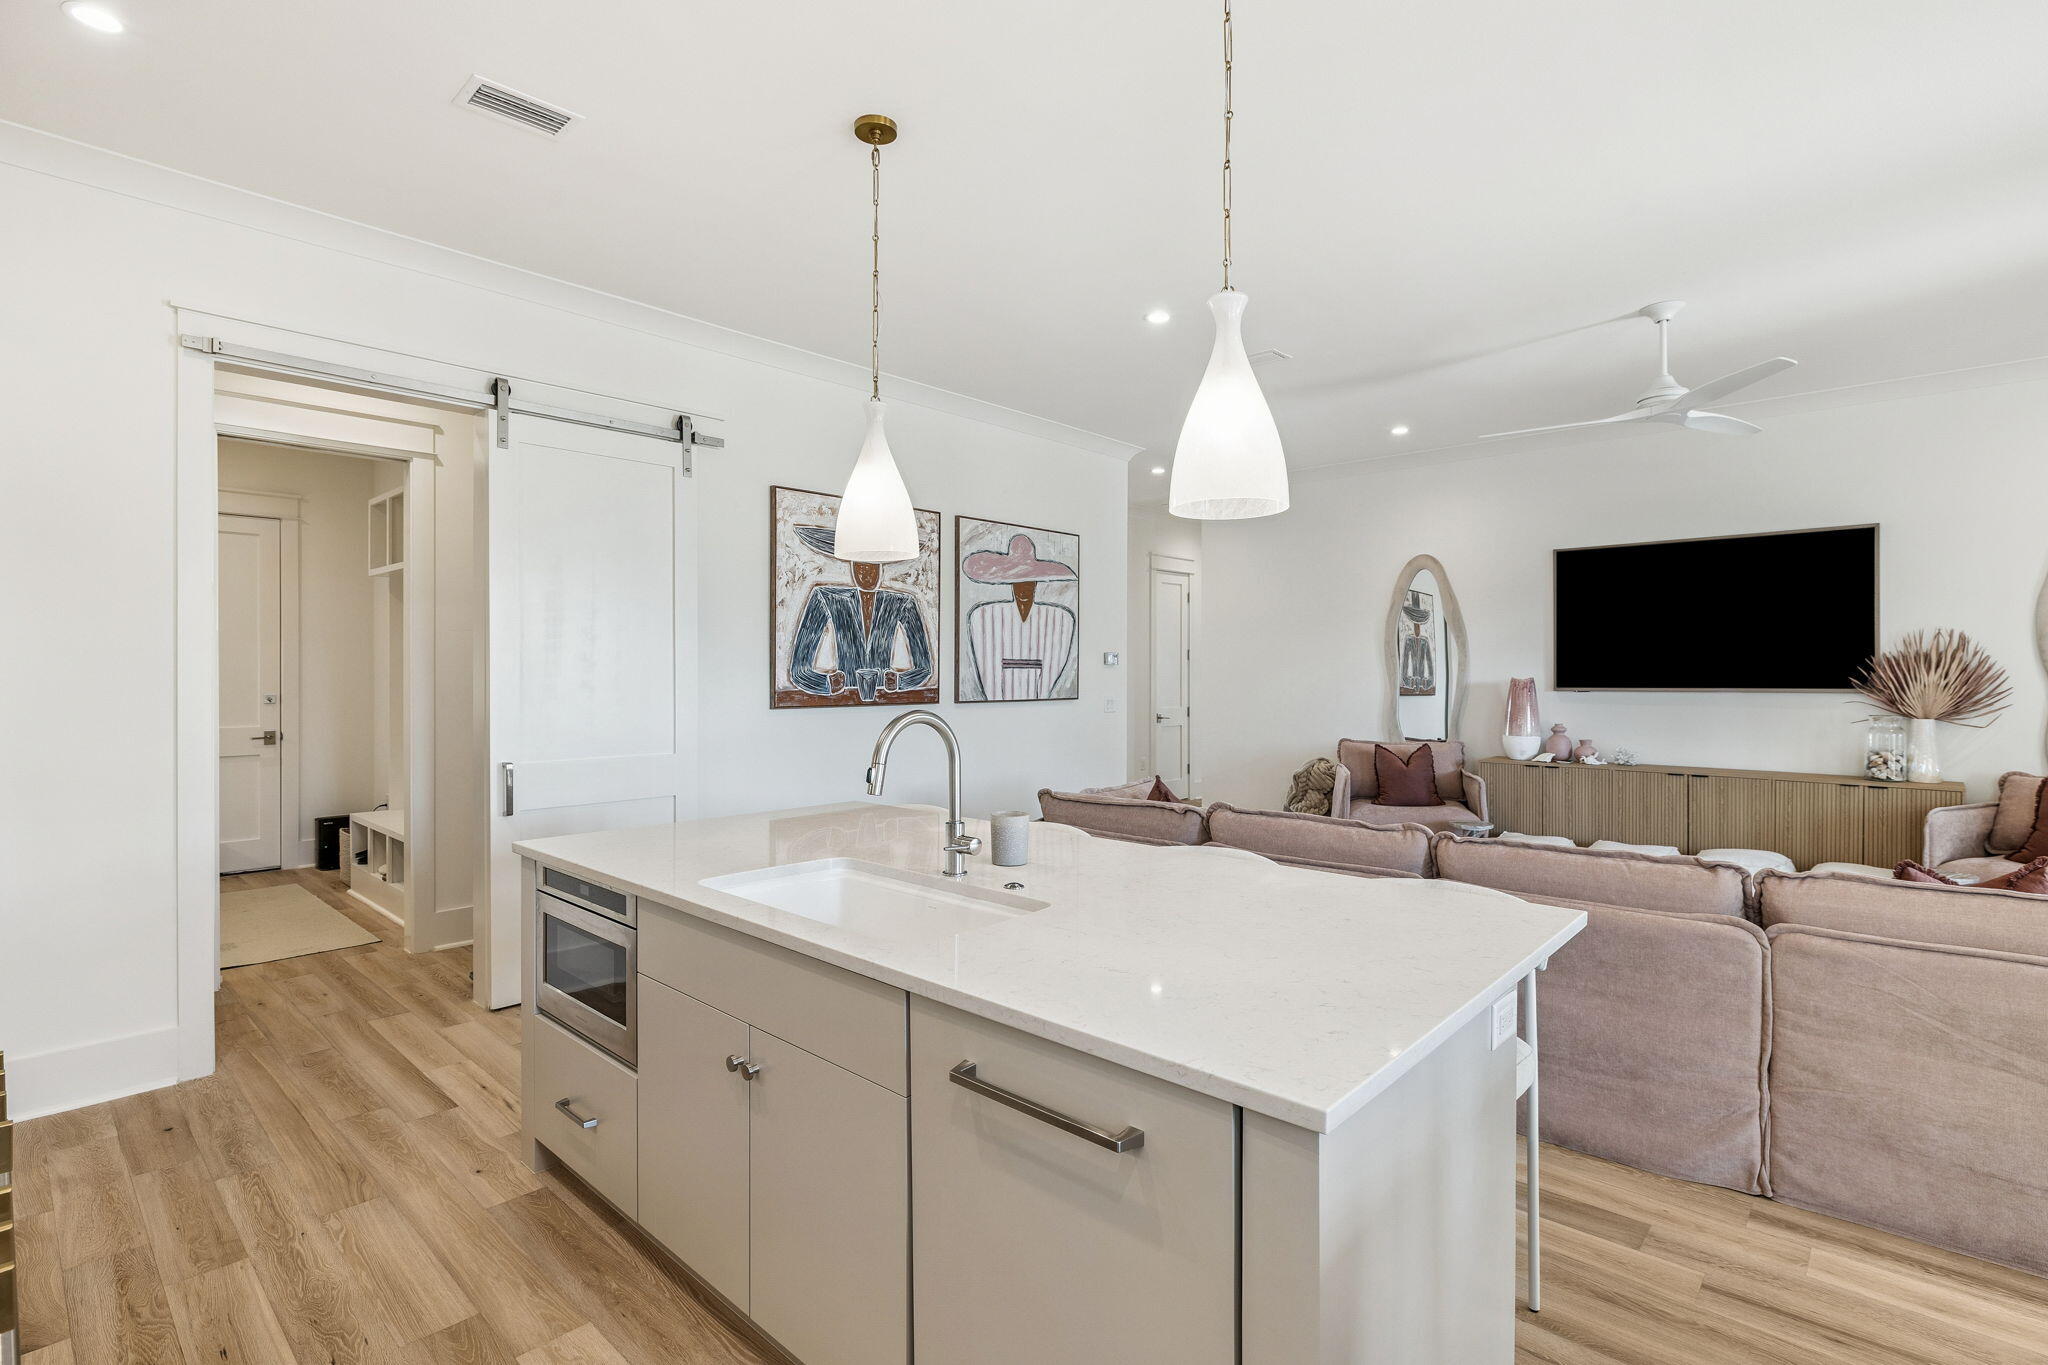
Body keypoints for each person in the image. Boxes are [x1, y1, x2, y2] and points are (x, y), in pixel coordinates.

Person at [787, 524, 934, 701]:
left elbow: (925, 668)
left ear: (881, 567)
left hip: (885, 699)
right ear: (852, 566)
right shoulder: (827, 597)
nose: (867, 573)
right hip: (841, 699)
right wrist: (826, 683)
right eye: (861, 566)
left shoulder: (902, 602)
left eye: (873, 565)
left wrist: (900, 681)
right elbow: (799, 670)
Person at [962, 533, 1077, 701]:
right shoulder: (982, 616)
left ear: (1036, 583)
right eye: (1019, 583)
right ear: (1011, 584)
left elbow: (1054, 665)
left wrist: (1042, 696)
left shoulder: (1062, 619)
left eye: (1029, 582)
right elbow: (987, 666)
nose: (1024, 589)